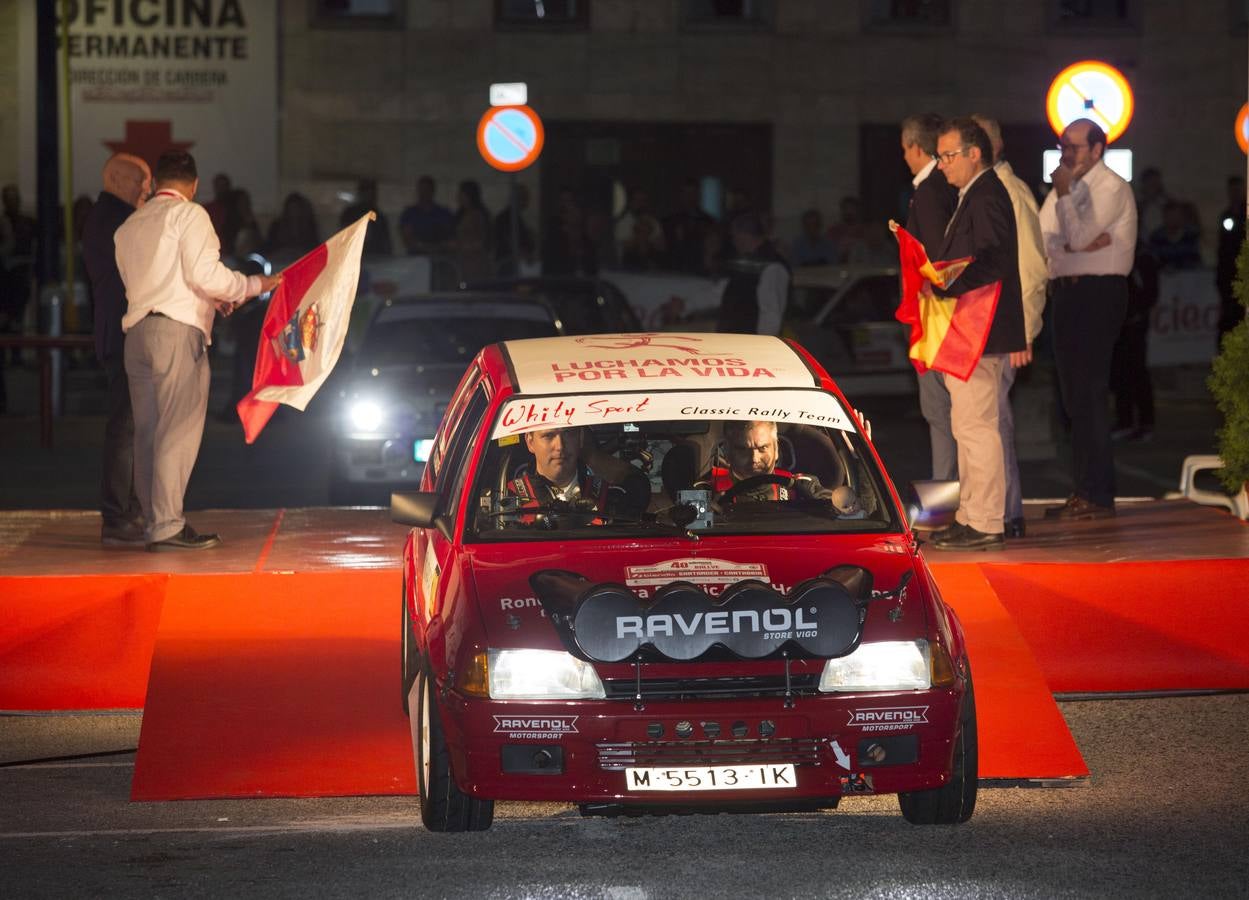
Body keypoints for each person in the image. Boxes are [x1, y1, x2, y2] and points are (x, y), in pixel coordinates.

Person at [115, 150, 282, 551]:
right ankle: (168, 525)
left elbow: (166, 280)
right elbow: (204, 274)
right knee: (178, 430)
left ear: (155, 183)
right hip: (175, 332)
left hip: (137, 333)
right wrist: (254, 285)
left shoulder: (130, 224)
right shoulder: (190, 215)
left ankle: (151, 521)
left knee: (148, 433)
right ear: (193, 184)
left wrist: (210, 300)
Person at [927, 118, 1026, 552]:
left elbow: (992, 260)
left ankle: (986, 520)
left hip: (980, 329)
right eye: (939, 157)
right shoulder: (975, 194)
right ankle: (971, 515)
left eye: (948, 156)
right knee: (966, 425)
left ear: (974, 153)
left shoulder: (986, 194)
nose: (942, 165)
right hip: (971, 328)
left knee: (977, 427)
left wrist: (947, 282)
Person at [1039, 118, 1137, 521]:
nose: (1066, 154)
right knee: (1073, 397)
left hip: (1098, 294)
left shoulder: (1112, 187)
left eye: (1075, 147)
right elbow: (1045, 237)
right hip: (1068, 293)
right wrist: (1074, 248)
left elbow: (1074, 240)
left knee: (1090, 393)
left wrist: (1074, 238)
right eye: (1063, 145)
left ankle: (1098, 494)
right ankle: (1084, 491)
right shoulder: (1070, 189)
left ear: (1097, 150)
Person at [973, 114, 1048, 538]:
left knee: (992, 423)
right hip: (992, 326)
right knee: (988, 422)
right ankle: (1003, 512)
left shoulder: (1009, 193)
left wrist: (1022, 332)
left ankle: (1005, 514)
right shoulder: (988, 190)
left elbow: (1032, 270)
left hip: (1005, 330)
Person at [81, 152, 152, 545]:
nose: (147, 188)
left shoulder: (109, 217)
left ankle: (127, 510)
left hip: (121, 332)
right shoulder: (116, 220)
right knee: (125, 426)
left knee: (132, 424)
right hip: (123, 334)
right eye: (140, 181)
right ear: (116, 179)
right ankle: (117, 516)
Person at [901, 113, 959, 483]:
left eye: (904, 150)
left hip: (936, 317)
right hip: (940, 313)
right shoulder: (943, 189)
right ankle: (951, 496)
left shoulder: (930, 192)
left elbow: (936, 259)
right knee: (948, 413)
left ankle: (946, 499)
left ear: (916, 148)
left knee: (941, 413)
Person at [697, 420, 853, 509]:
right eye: (743, 449)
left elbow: (851, 515)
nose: (754, 458)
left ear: (776, 449)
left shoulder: (804, 486)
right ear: (728, 452)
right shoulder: (704, 488)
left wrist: (857, 461)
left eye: (763, 448)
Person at [506, 426, 648, 521]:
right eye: (548, 435)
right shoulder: (506, 499)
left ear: (580, 438)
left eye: (568, 433)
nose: (560, 446)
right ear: (530, 442)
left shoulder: (612, 496)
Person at [716, 212, 790, 336]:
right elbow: (722, 291)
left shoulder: (772, 266)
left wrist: (762, 346)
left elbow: (771, 314)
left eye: (734, 236)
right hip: (740, 340)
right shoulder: (745, 263)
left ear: (743, 235)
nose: (733, 242)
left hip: (751, 344)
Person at [1217, 175, 1247, 343]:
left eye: (1238, 190)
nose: (1235, 194)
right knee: (1229, 318)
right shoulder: (1226, 216)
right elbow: (1223, 249)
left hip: (1244, 274)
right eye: (1232, 190)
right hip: (1229, 276)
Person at [399, 175, 454, 256]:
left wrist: (436, 247)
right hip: (416, 258)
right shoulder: (409, 213)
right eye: (422, 190)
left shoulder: (444, 213)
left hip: (440, 258)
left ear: (432, 191)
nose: (424, 193)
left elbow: (451, 239)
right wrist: (422, 246)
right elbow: (407, 239)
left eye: (427, 190)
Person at [452, 179, 492, 282]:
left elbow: (483, 240)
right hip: (463, 261)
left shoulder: (478, 216)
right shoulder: (461, 215)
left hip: (476, 262)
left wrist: (462, 246)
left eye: (461, 194)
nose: (458, 197)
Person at [492, 183, 536, 276]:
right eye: (524, 198)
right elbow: (508, 239)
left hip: (512, 262)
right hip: (508, 263)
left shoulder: (515, 217)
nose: (527, 202)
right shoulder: (506, 218)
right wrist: (523, 254)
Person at [341, 178, 392, 257]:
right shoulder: (350, 214)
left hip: (377, 259)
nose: (370, 196)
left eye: (372, 193)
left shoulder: (379, 216)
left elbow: (386, 243)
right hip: (353, 257)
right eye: (366, 192)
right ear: (360, 193)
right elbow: (344, 239)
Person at [265, 192, 321, 259]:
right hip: (279, 261)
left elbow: (314, 248)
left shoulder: (309, 226)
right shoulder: (276, 226)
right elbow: (269, 248)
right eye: (291, 208)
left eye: (296, 208)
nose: (293, 211)